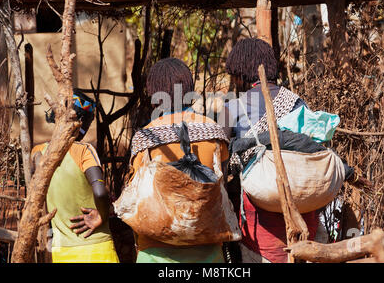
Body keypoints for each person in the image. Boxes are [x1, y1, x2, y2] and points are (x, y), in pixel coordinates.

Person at [223, 38, 320, 263]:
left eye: (234, 76)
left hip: (259, 221)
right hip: (305, 212)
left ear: (242, 73)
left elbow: (220, 164)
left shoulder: (232, 108)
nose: (234, 82)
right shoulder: (298, 103)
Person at [128, 57, 231, 263]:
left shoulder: (146, 138)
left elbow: (135, 192)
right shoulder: (214, 131)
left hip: (155, 249)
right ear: (189, 89)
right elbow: (223, 182)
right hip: (208, 245)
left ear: (154, 94)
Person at [31, 89, 119, 263]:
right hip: (97, 248)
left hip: (61, 251)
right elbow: (100, 193)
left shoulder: (39, 153)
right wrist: (101, 215)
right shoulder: (84, 151)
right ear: (82, 123)